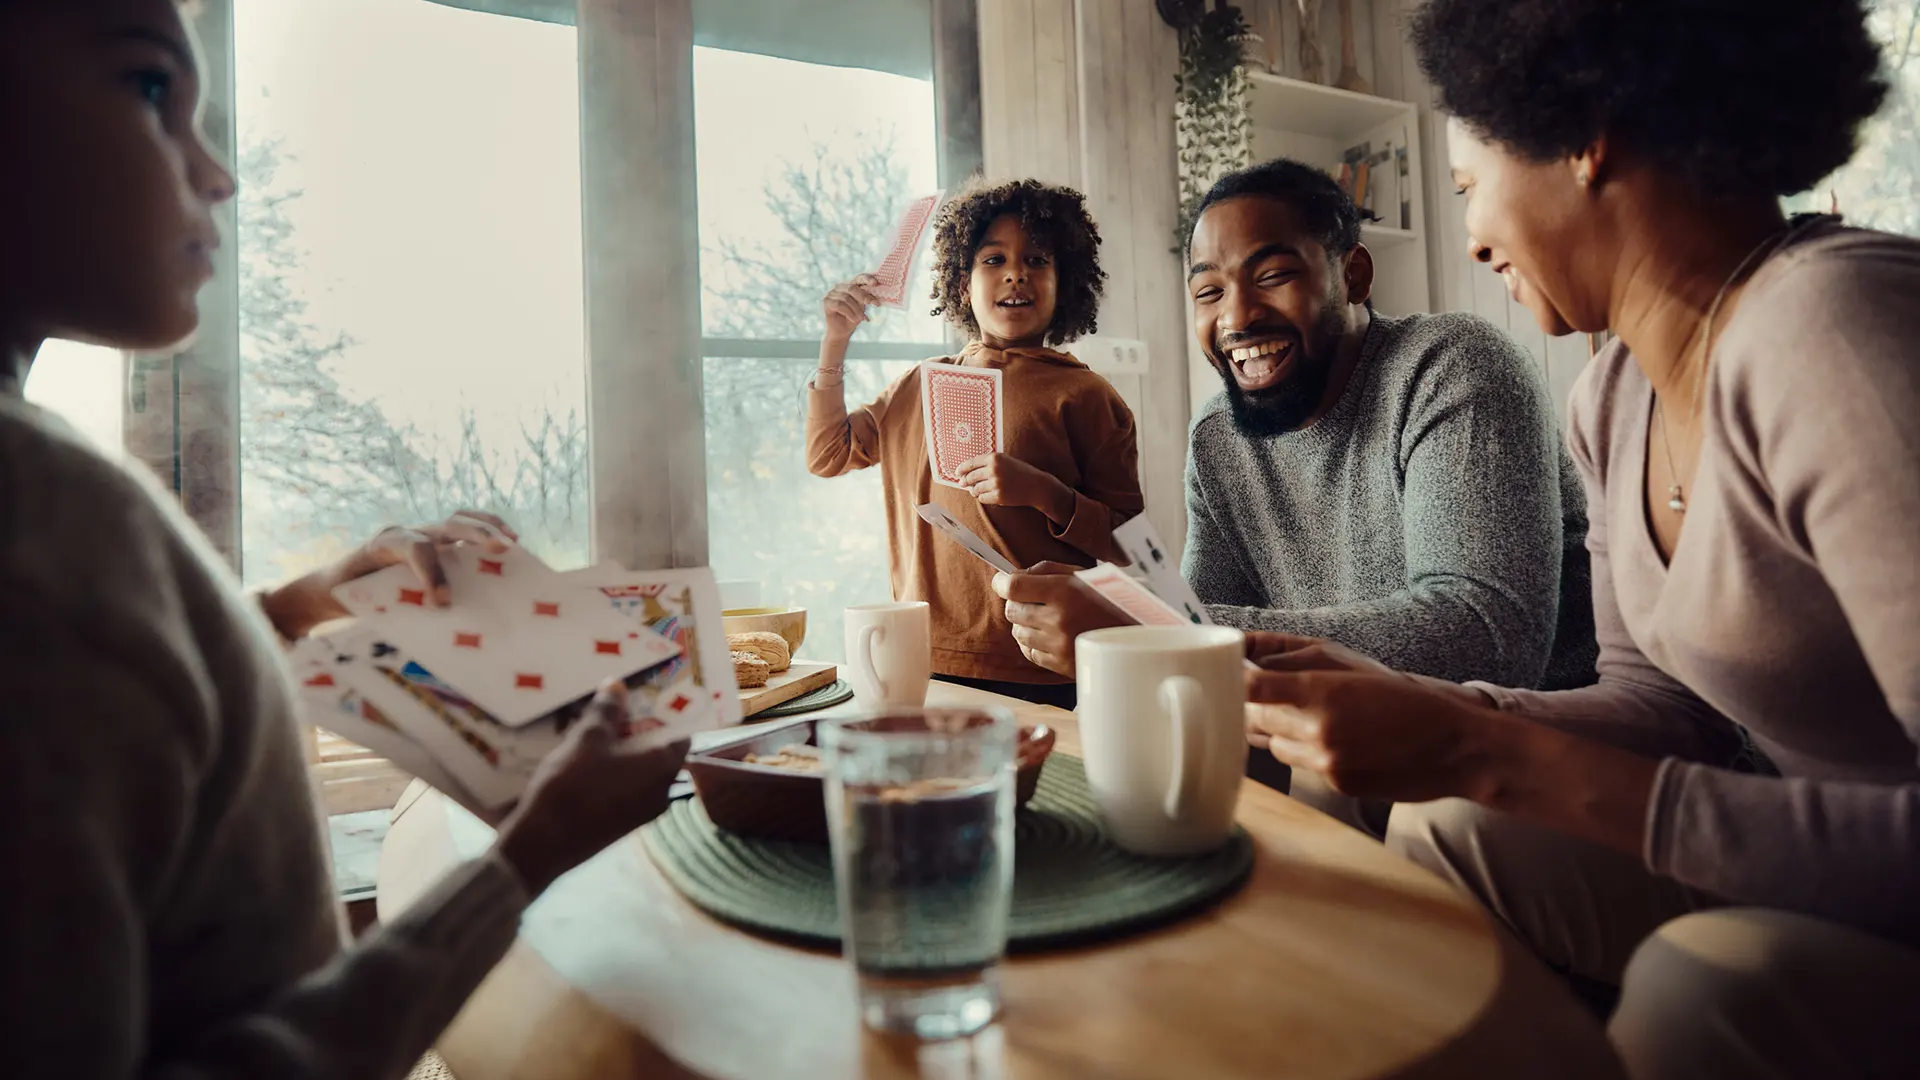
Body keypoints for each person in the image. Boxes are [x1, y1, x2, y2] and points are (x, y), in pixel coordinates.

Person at [0, 3, 688, 1077]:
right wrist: (530, 856)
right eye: (148, 89)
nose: (217, 173)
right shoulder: (45, 525)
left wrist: (295, 606)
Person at [1241, 0, 1920, 1074]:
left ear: (1584, 133)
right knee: (1444, 824)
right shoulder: (1611, 400)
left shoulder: (1832, 334)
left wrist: (1484, 747)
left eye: (1471, 188)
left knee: (1699, 987)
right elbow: (1665, 708)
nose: (1469, 236)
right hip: (1794, 843)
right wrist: (1420, 708)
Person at [997, 158, 1595, 823]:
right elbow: (1202, 619)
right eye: (1209, 292)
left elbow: (1484, 637)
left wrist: (1149, 628)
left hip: (1540, 746)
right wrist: (1126, 632)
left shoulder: (1452, 367)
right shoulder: (1219, 434)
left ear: (1354, 275)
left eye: (1273, 276)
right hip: (1348, 738)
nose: (1238, 317)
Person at [807, 177, 1143, 709]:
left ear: (1065, 285)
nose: (1016, 272)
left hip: (1037, 663)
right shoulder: (917, 385)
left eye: (1037, 260)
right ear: (963, 285)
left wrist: (1045, 493)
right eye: (993, 259)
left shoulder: (1085, 397)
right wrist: (835, 339)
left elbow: (1131, 546)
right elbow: (827, 454)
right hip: (919, 655)